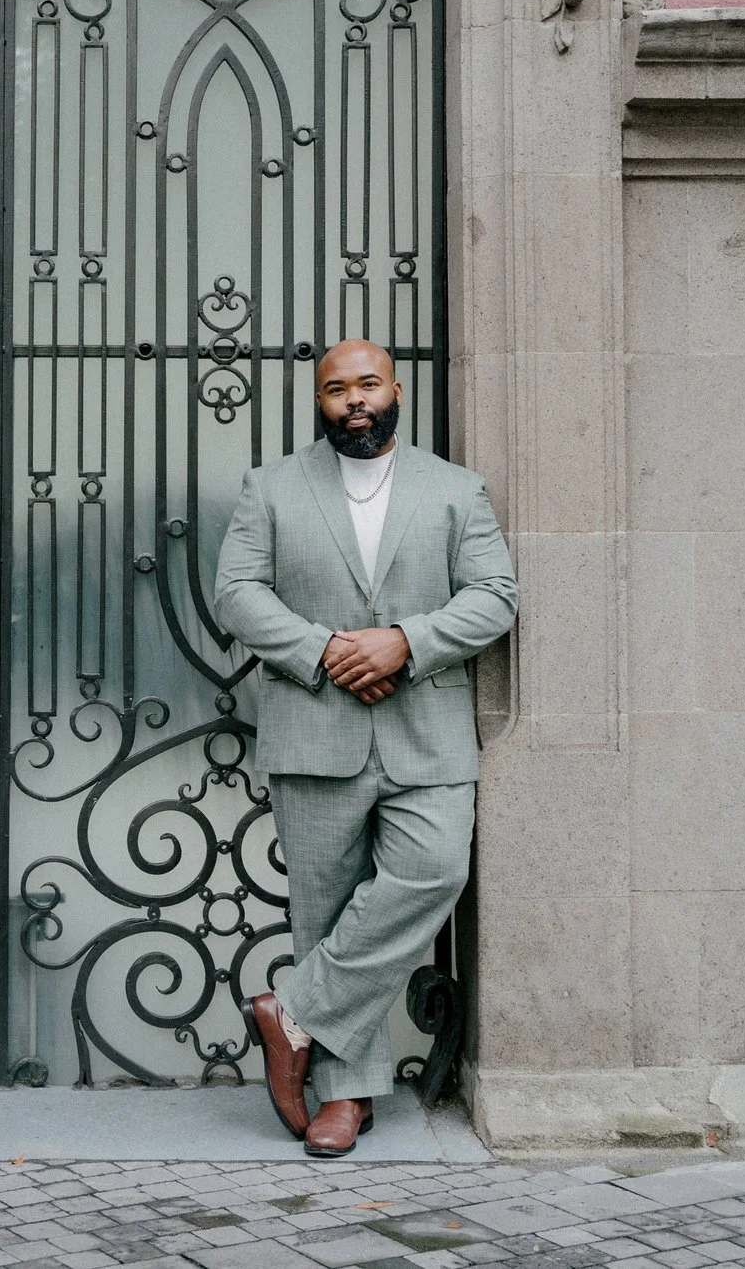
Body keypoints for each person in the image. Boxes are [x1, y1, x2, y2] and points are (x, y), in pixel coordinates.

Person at [214, 339, 517, 1157]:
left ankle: (292, 1011)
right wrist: (325, 651)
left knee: (435, 869)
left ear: (396, 389)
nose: (353, 398)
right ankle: (346, 1097)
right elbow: (237, 592)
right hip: (315, 730)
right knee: (325, 911)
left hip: (427, 733)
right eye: (336, 388)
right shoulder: (271, 487)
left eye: (367, 384)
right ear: (320, 400)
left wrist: (404, 642)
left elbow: (496, 595)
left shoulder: (456, 491)